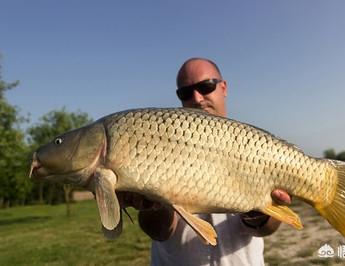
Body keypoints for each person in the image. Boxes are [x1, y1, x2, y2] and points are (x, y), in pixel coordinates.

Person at [118, 58, 291, 265]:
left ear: (223, 87)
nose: (197, 98)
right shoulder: (161, 142)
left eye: (205, 86)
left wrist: (258, 212)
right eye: (186, 92)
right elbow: (160, 231)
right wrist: (151, 206)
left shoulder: (258, 147)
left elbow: (267, 229)